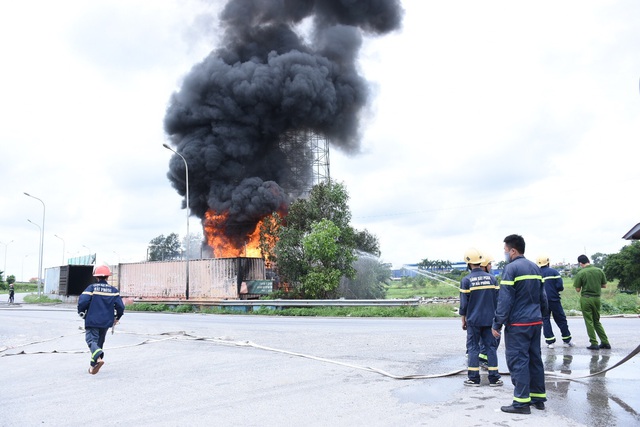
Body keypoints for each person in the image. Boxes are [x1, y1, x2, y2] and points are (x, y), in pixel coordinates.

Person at [492, 234, 548, 414]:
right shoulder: (535, 267)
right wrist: (543, 316)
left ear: (513, 250)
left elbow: (505, 299)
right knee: (535, 359)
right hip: (535, 321)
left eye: (505, 250)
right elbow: (543, 297)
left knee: (518, 360)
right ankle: (538, 398)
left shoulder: (511, 269)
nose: (505, 253)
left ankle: (521, 402)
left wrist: (497, 323)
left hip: (518, 324)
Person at [459, 248, 502, 387]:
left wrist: (463, 320)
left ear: (468, 263)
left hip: (473, 320)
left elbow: (464, 304)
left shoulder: (466, 281)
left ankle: (473, 379)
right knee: (491, 348)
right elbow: (498, 300)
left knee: (473, 348)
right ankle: (494, 378)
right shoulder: (492, 279)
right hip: (490, 321)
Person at [77, 265, 125, 375]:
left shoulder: (92, 288)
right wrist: (117, 318)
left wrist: (81, 313)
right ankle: (93, 365)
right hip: (106, 322)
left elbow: (82, 301)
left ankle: (98, 358)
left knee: (91, 340)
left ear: (96, 277)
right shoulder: (113, 291)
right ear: (108, 277)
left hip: (92, 320)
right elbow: (121, 307)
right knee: (99, 342)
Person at [536, 254, 574, 348]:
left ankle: (550, 342)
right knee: (561, 319)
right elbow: (560, 286)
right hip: (554, 299)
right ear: (548, 262)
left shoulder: (536, 274)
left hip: (542, 301)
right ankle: (566, 340)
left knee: (545, 320)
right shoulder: (554, 272)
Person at [574, 255, 610, 350]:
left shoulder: (581, 273)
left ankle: (594, 342)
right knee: (596, 321)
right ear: (588, 261)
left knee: (589, 321)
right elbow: (604, 285)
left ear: (580, 263)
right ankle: (605, 342)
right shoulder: (599, 271)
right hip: (597, 299)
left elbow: (577, 289)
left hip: (586, 299)